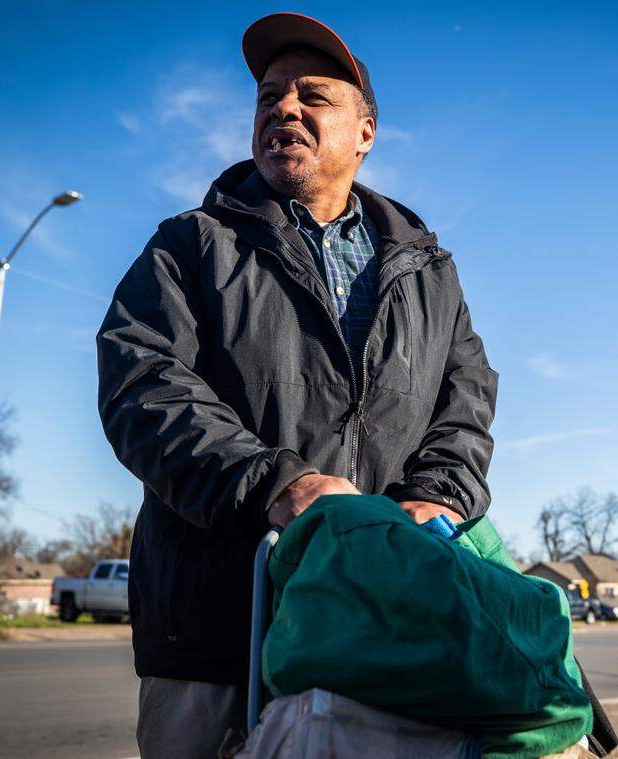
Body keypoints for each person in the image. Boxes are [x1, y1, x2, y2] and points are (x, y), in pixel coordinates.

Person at [96, 12, 498, 758]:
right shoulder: (189, 244)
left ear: (365, 133)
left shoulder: (430, 271)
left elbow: (465, 398)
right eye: (269, 96)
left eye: (313, 96)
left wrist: (438, 493)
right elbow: (140, 382)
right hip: (216, 636)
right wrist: (274, 483)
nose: (284, 108)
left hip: (380, 626)